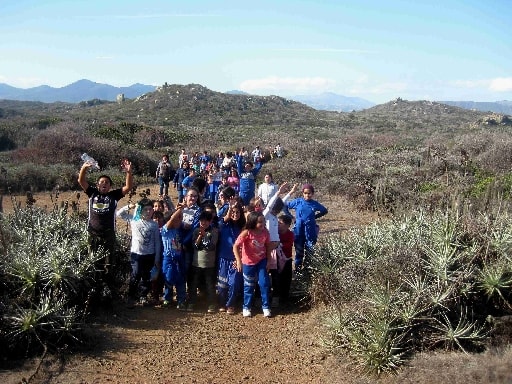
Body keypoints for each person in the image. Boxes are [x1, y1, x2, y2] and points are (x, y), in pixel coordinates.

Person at [78, 157, 133, 302]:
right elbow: (81, 182)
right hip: (93, 234)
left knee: (109, 264)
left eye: (107, 183)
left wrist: (128, 173)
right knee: (94, 262)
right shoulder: (92, 193)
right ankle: (94, 291)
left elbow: (127, 188)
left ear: (110, 187)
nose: (104, 184)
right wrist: (84, 168)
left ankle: (110, 293)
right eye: (101, 182)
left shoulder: (113, 196)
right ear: (97, 185)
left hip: (109, 235)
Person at [117, 199, 162, 307]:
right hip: (136, 254)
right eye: (145, 209)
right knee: (135, 274)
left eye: (150, 209)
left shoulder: (154, 225)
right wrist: (130, 206)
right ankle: (131, 297)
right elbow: (119, 214)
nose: (148, 212)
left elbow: (157, 242)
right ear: (141, 210)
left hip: (150, 254)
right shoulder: (134, 220)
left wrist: (156, 258)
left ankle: (143, 296)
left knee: (147, 276)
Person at [233, 211, 273, 318]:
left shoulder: (265, 232)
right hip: (248, 262)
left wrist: (269, 261)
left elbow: (268, 246)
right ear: (253, 222)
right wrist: (238, 261)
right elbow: (236, 246)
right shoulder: (247, 233)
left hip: (262, 261)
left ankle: (266, 307)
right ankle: (246, 307)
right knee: (249, 285)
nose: (263, 224)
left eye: (264, 221)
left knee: (264, 283)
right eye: (260, 222)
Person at [285, 183, 328, 272]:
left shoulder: (314, 204)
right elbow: (285, 207)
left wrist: (314, 217)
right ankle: (298, 269)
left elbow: (324, 210)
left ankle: (308, 269)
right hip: (299, 230)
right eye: (305, 193)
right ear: (303, 193)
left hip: (310, 230)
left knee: (310, 250)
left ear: (312, 193)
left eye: (309, 193)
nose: (307, 195)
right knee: (299, 251)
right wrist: (291, 217)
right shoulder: (298, 201)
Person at [217, 199, 246, 314]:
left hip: (236, 260)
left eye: (237, 212)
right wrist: (229, 207)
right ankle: (221, 303)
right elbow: (222, 219)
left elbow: (245, 246)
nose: (235, 214)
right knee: (222, 284)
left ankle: (231, 304)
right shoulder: (223, 225)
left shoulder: (243, 228)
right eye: (232, 212)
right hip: (223, 258)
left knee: (234, 283)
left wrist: (240, 259)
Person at [187, 210, 219, 313]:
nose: (203, 223)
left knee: (210, 284)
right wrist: (200, 236)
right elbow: (195, 246)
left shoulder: (214, 231)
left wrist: (205, 235)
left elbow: (211, 246)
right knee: (193, 284)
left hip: (209, 264)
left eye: (206, 221)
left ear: (210, 221)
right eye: (201, 220)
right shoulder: (196, 231)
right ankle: (191, 302)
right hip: (196, 263)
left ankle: (211, 303)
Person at [160, 204, 187, 310]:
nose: (180, 221)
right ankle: (167, 298)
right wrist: (179, 209)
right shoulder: (165, 230)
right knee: (168, 278)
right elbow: (172, 218)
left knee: (180, 279)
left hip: (179, 258)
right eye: (178, 219)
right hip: (169, 258)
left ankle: (181, 300)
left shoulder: (178, 230)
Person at [277, 214, 294, 305]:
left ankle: (285, 296)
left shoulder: (290, 234)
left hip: (287, 259)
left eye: (281, 223)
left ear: (287, 225)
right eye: (278, 223)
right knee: (278, 277)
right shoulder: (275, 233)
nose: (278, 224)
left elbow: (289, 244)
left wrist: (279, 244)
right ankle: (278, 295)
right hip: (277, 259)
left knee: (286, 278)